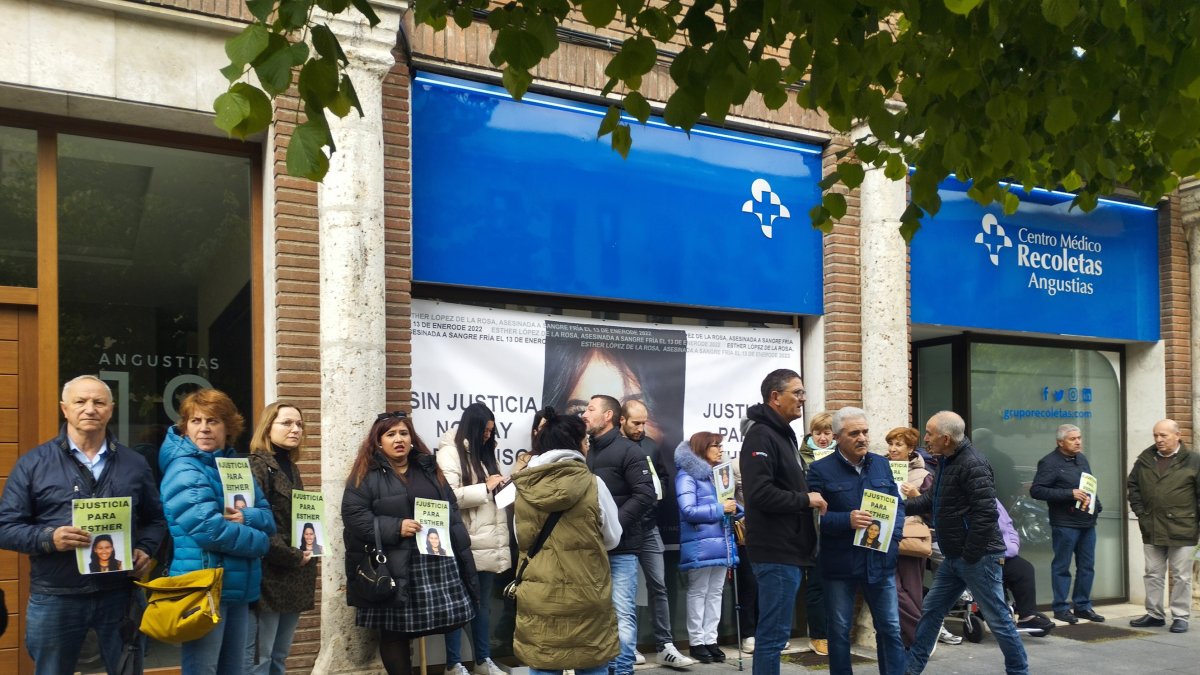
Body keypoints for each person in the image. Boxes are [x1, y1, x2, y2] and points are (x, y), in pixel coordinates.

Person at [0, 374, 166, 675]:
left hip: (119, 594)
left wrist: (145, 548)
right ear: (65, 409)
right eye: (81, 401)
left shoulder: (134, 463)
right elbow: (6, 527)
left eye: (98, 402)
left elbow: (155, 519)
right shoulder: (33, 463)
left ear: (111, 409)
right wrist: (49, 538)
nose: (90, 408)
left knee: (127, 668)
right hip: (56, 595)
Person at [342, 411, 478, 675]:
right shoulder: (365, 475)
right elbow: (353, 516)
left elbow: (450, 505)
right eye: (390, 434)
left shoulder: (429, 468)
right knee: (394, 634)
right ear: (378, 441)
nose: (398, 439)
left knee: (437, 623)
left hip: (433, 561)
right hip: (392, 564)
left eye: (403, 433)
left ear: (412, 438)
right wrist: (396, 527)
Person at [901, 411, 1028, 675]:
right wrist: (895, 508)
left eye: (929, 433)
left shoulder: (973, 464)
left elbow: (986, 514)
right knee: (931, 610)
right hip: (956, 557)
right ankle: (910, 670)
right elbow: (930, 502)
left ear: (946, 438)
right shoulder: (947, 460)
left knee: (999, 620)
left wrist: (970, 554)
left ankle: (1019, 671)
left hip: (978, 558)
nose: (925, 439)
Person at [159, 388, 275, 675]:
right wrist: (260, 541)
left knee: (233, 669)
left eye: (213, 421)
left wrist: (246, 516)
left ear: (228, 428)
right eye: (196, 421)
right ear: (185, 427)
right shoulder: (184, 468)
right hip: (203, 588)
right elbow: (210, 530)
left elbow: (269, 517)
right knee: (203, 669)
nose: (204, 428)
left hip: (236, 587)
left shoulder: (234, 468)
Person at [510, 410, 621, 675]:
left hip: (540, 595)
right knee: (592, 664)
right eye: (586, 441)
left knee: (543, 664)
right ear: (578, 444)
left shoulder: (523, 488)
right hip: (588, 592)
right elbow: (613, 538)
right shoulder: (594, 485)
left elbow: (520, 538)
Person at [739, 369, 828, 675]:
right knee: (773, 637)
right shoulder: (761, 435)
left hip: (789, 550)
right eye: (797, 393)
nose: (803, 399)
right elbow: (760, 494)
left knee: (774, 636)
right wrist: (807, 499)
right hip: (775, 551)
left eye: (804, 393)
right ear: (775, 397)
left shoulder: (781, 434)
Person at [807, 407, 905, 675]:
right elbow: (812, 522)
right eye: (854, 433)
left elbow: (898, 508)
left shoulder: (882, 464)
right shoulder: (819, 470)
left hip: (879, 562)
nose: (862, 438)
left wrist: (894, 538)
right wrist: (845, 521)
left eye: (865, 431)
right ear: (838, 436)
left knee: (890, 629)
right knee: (838, 631)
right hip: (839, 564)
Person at [581, 394, 656, 675]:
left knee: (622, 613)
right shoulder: (586, 451)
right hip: (591, 550)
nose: (584, 415)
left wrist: (613, 525)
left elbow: (645, 494)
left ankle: (623, 670)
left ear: (608, 416)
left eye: (590, 409)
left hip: (622, 549)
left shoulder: (629, 451)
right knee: (597, 616)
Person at [436, 402, 510, 675]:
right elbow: (448, 497)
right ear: (473, 427)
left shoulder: (486, 454)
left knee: (482, 607)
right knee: (457, 607)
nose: (488, 436)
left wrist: (504, 486)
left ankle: (482, 661)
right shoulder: (449, 453)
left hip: (489, 541)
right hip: (463, 543)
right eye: (485, 431)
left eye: (492, 431)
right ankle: (453, 664)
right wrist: (485, 487)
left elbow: (491, 495)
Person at [244, 402, 318, 675]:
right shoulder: (256, 466)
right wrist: (291, 555)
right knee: (260, 659)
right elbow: (255, 522)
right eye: (286, 423)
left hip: (296, 574)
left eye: (299, 424)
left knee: (279, 656)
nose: (295, 429)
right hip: (270, 572)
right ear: (268, 427)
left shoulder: (291, 466)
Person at [622, 399, 694, 668]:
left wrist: (655, 494)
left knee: (659, 586)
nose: (641, 428)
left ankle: (665, 645)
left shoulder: (650, 445)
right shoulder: (612, 447)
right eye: (635, 423)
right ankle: (628, 647)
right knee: (625, 589)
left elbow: (663, 476)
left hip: (650, 526)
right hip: (624, 528)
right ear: (621, 420)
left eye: (643, 422)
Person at [1126, 418, 1200, 634]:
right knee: (1153, 573)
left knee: (1181, 576)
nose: (1159, 440)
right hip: (1152, 527)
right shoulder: (1145, 459)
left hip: (1183, 528)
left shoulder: (1194, 461)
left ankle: (1180, 616)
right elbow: (1133, 486)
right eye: (1156, 435)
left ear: (1178, 436)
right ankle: (1154, 614)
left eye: (1163, 435)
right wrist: (1141, 513)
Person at [674, 431, 741, 664]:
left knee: (715, 593)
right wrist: (721, 509)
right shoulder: (687, 476)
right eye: (715, 446)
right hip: (700, 544)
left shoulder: (718, 474)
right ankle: (696, 642)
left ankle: (711, 640)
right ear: (703, 448)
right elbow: (688, 511)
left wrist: (737, 508)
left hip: (722, 541)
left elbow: (727, 502)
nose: (720, 450)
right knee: (698, 591)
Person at [1029, 424, 1104, 625]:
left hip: (1087, 521)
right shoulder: (1049, 462)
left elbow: (1089, 485)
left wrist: (1097, 505)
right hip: (1065, 523)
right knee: (1062, 566)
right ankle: (1061, 608)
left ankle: (1083, 606)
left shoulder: (1082, 459)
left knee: (1087, 566)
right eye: (1073, 439)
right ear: (1060, 442)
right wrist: (1068, 494)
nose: (1078, 441)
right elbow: (1037, 491)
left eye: (1079, 437)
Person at [886, 427, 933, 648]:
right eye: (891, 444)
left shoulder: (923, 475)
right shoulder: (879, 468)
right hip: (885, 535)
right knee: (890, 588)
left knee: (913, 589)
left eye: (898, 445)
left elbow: (933, 513)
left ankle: (911, 643)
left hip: (911, 537)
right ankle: (922, 635)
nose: (893, 449)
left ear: (910, 449)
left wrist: (917, 496)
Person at [995, 500, 1055, 637]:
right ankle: (1001, 615)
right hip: (983, 556)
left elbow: (1009, 525)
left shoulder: (994, 501)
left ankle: (1026, 616)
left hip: (1005, 554)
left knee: (1024, 569)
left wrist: (1013, 544)